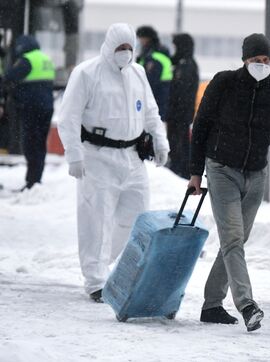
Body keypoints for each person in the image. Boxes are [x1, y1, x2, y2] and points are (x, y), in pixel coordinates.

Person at [188, 33, 270, 332]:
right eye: (256, 60)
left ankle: (212, 305)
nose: (262, 65)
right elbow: (201, 125)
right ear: (245, 60)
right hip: (222, 170)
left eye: (267, 60)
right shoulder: (224, 83)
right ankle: (247, 305)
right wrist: (194, 172)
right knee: (232, 238)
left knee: (236, 241)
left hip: (256, 174)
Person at [58, 23, 169, 303]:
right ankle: (95, 281)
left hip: (132, 157)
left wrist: (160, 140)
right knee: (96, 219)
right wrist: (74, 155)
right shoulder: (86, 73)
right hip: (97, 156)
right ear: (109, 47)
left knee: (136, 217)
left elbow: (151, 112)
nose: (126, 53)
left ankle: (107, 264)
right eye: (121, 48)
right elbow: (68, 117)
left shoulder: (138, 73)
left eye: (130, 48)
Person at [3, 35, 54, 191]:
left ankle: (32, 182)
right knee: (39, 145)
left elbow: (8, 76)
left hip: (32, 109)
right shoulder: (46, 59)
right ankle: (36, 179)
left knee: (30, 144)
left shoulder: (27, 60)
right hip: (46, 108)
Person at [166, 33, 199, 179]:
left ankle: (181, 170)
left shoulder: (187, 65)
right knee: (177, 141)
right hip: (177, 112)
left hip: (181, 112)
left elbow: (182, 90)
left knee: (180, 142)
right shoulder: (181, 63)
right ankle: (179, 167)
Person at [136, 25, 172, 121]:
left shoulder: (153, 57)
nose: (139, 41)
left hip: (155, 100)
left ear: (147, 38)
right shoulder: (155, 52)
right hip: (160, 99)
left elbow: (151, 82)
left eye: (141, 38)